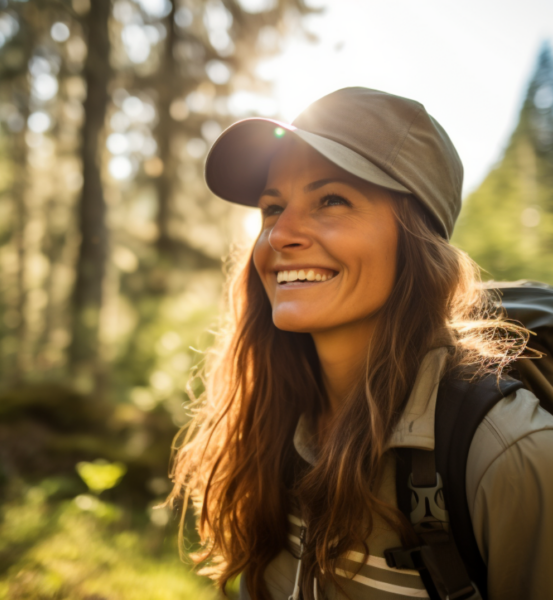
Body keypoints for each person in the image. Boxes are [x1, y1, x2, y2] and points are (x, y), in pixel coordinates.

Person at [166, 87, 553, 600]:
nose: (281, 234)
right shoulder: (271, 421)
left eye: (331, 200)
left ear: (417, 239)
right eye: (271, 207)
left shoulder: (508, 455)